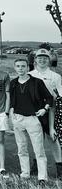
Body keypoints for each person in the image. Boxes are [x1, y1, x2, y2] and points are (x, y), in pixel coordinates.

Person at [9, 58, 51, 182]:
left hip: (33, 119)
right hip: (18, 118)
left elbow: (49, 98)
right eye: (18, 66)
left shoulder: (37, 82)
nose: (20, 69)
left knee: (38, 149)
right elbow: (12, 101)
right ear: (14, 68)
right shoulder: (13, 83)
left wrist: (45, 109)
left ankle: (42, 177)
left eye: (23, 66)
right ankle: (25, 173)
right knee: (21, 148)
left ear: (28, 68)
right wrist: (12, 113)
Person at [28, 48, 62, 178]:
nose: (42, 60)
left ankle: (59, 167)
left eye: (45, 58)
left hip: (50, 112)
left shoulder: (56, 76)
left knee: (54, 139)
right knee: (37, 140)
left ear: (49, 60)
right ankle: (36, 166)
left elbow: (58, 97)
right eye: (39, 57)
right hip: (34, 112)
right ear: (35, 60)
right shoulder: (30, 74)